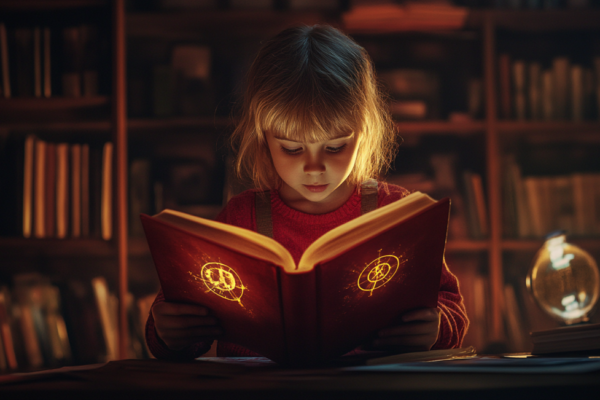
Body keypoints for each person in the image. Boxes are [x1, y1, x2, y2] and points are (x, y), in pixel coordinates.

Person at [145, 25, 468, 360]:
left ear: (364, 131)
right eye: (293, 149)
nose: (314, 168)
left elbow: (449, 307)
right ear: (264, 139)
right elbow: (181, 329)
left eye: (335, 147)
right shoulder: (242, 217)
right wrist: (171, 333)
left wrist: (436, 327)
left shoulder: (396, 213)